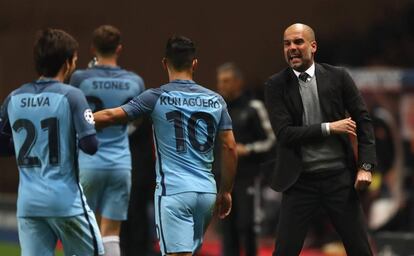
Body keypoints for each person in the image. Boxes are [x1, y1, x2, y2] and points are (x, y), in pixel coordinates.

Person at [93, 35, 238, 256]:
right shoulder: (216, 100)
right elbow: (229, 147)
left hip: (174, 193)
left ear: (164, 63)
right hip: (206, 193)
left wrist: (76, 118)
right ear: (194, 64)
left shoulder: (156, 97)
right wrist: (226, 191)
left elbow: (112, 116)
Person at [264, 23, 377, 256]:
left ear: (313, 46)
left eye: (298, 42)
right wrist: (328, 128)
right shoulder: (275, 85)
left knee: (360, 250)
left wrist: (365, 166)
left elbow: (363, 120)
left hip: (339, 178)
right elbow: (285, 134)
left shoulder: (339, 77)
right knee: (284, 251)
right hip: (299, 181)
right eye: (287, 44)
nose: (292, 48)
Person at [0, 28, 104, 256]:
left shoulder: (14, 97)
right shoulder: (72, 96)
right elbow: (91, 145)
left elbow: (1, 145)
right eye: (75, 60)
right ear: (67, 63)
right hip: (65, 201)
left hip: (28, 204)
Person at [69, 25, 145, 256]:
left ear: (93, 48)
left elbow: (71, 114)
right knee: (111, 233)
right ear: (119, 49)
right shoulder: (135, 81)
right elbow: (138, 120)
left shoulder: (80, 78)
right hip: (120, 163)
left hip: (88, 163)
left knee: (82, 230)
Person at [216, 62, 275, 256]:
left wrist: (247, 149)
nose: (222, 86)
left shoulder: (254, 107)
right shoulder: (216, 110)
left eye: (227, 81)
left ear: (238, 82)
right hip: (223, 180)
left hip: (248, 176)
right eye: (220, 82)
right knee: (227, 228)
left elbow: (271, 140)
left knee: (247, 225)